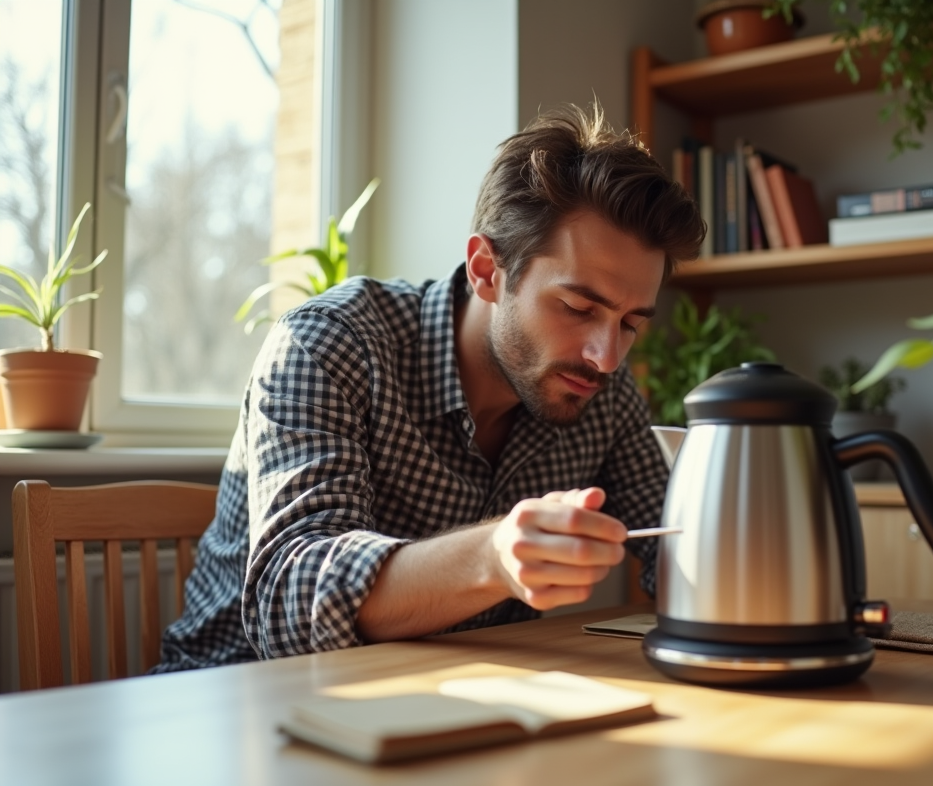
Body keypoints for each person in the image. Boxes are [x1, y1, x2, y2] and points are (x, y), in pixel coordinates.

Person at [152, 103, 706, 671]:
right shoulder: (332, 344)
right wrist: (493, 556)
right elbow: (288, 605)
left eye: (632, 323)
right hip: (231, 701)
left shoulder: (598, 391)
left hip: (447, 702)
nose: (607, 356)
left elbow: (677, 550)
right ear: (487, 270)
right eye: (577, 307)